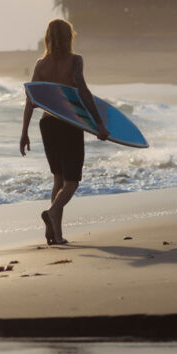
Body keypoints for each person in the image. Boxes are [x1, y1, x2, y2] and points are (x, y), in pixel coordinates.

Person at [19, 19, 109, 245]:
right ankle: (52, 212)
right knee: (72, 182)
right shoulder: (75, 61)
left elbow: (31, 100)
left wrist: (24, 132)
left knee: (58, 179)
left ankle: (56, 235)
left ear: (47, 37)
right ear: (70, 36)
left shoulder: (41, 64)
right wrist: (98, 123)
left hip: (47, 124)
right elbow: (83, 91)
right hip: (69, 124)